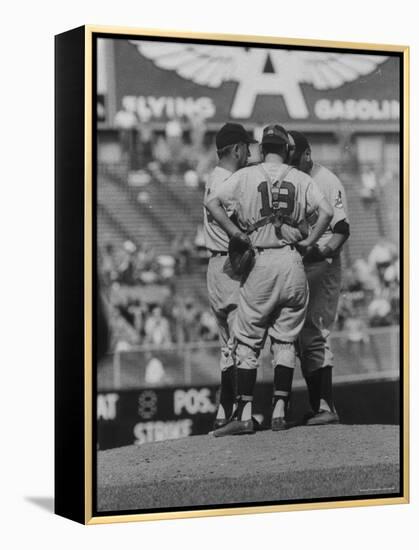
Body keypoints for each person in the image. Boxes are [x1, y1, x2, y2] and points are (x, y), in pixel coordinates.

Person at [206, 124, 333, 436]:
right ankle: (279, 409)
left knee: (247, 338)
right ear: (287, 150)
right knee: (285, 338)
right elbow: (327, 212)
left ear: (262, 149)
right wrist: (310, 241)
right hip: (293, 261)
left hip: (261, 259)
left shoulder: (247, 175)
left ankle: (245, 412)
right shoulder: (301, 178)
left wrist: (236, 233)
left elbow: (213, 203)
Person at [288, 131, 350, 425]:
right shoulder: (297, 178)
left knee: (316, 331)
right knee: (303, 337)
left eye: (294, 156)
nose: (290, 161)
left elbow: (342, 230)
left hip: (324, 263)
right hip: (306, 261)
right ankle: (319, 406)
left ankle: (327, 407)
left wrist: (319, 252)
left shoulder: (326, 180)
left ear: (307, 154)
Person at [203, 122, 256, 429]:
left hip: (215, 264)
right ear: (236, 149)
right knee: (241, 340)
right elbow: (245, 221)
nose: (249, 151)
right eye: (246, 147)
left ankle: (224, 412)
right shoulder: (230, 181)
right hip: (231, 266)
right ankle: (239, 413)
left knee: (227, 344)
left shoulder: (214, 177)